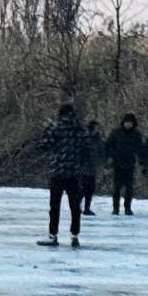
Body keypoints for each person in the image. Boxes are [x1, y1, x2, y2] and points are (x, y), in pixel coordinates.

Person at [36, 104, 90, 247]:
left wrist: (46, 130)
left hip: (58, 172)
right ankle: (74, 235)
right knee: (75, 206)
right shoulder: (80, 130)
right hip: (74, 173)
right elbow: (87, 150)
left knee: (55, 205)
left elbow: (44, 146)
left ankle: (53, 235)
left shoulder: (56, 129)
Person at [105, 113, 143, 216]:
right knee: (117, 187)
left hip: (130, 163)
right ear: (123, 122)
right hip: (117, 163)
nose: (128, 124)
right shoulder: (116, 133)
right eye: (127, 122)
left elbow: (140, 148)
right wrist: (112, 155)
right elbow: (108, 146)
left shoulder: (136, 134)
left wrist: (142, 160)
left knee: (129, 188)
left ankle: (128, 208)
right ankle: (115, 208)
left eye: (130, 123)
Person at [81, 120, 105, 216]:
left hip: (93, 168)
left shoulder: (98, 140)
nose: (97, 130)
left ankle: (87, 208)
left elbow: (102, 153)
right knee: (83, 189)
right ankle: (77, 206)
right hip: (83, 168)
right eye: (95, 128)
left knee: (90, 189)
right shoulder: (85, 138)